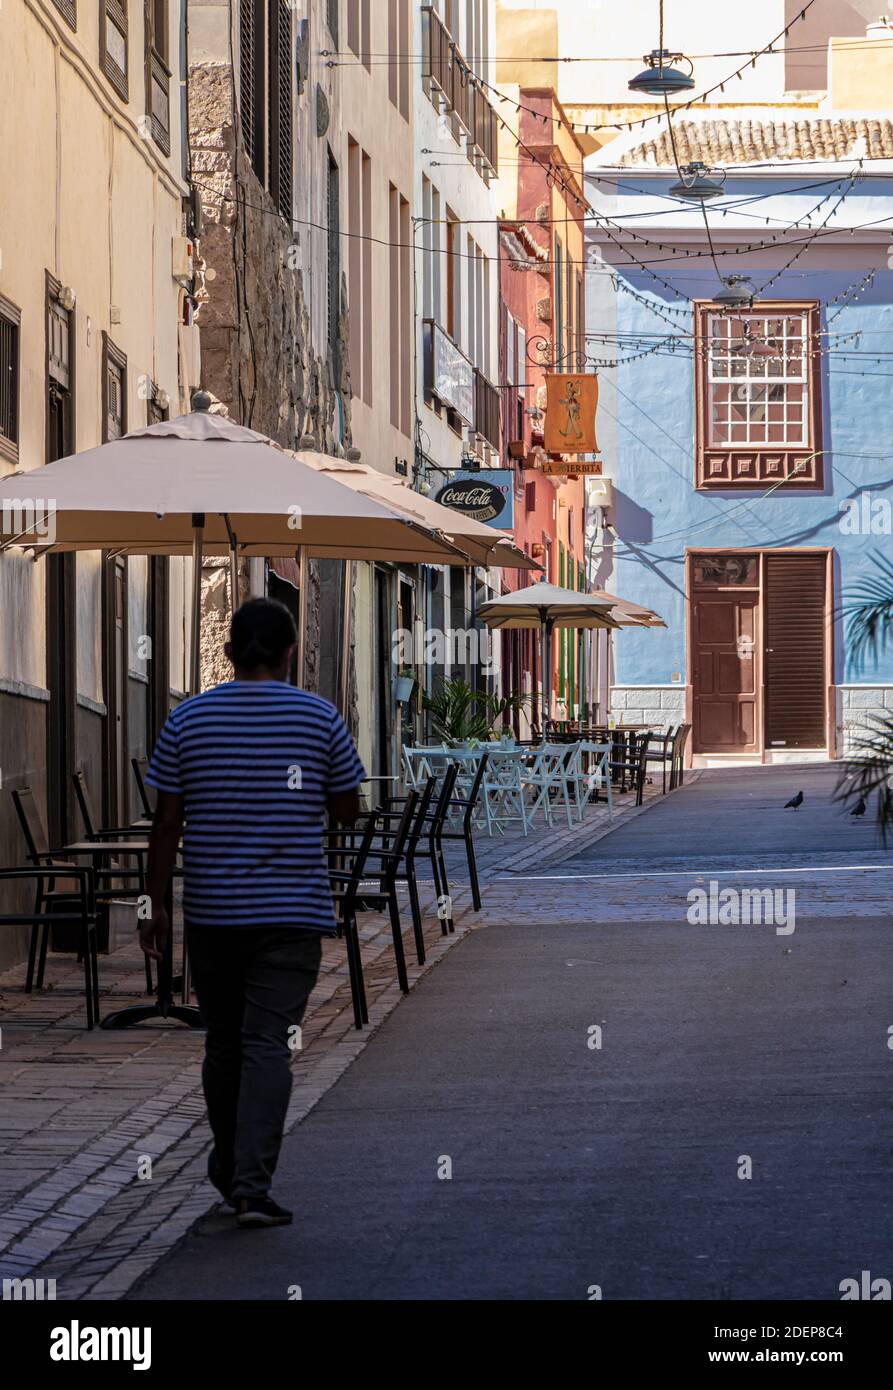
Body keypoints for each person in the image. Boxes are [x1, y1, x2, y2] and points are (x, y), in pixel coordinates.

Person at [140, 598, 365, 1229]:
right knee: (268, 1044)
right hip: (291, 912)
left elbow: (165, 824)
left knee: (224, 1043)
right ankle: (249, 1184)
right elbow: (347, 811)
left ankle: (232, 1167)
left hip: (213, 912)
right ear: (290, 651)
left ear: (230, 652)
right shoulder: (319, 717)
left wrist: (150, 905)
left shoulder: (188, 720)